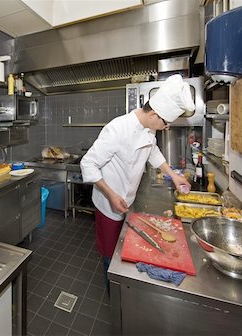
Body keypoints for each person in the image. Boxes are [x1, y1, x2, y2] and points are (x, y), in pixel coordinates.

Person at [80, 74, 194, 292]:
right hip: (108, 204)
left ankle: (119, 285)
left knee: (123, 250)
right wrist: (111, 194)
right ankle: (112, 290)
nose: (166, 128)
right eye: (166, 123)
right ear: (153, 115)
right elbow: (88, 164)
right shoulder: (118, 129)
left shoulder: (149, 129)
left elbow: (153, 152)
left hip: (127, 199)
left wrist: (173, 174)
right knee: (109, 254)